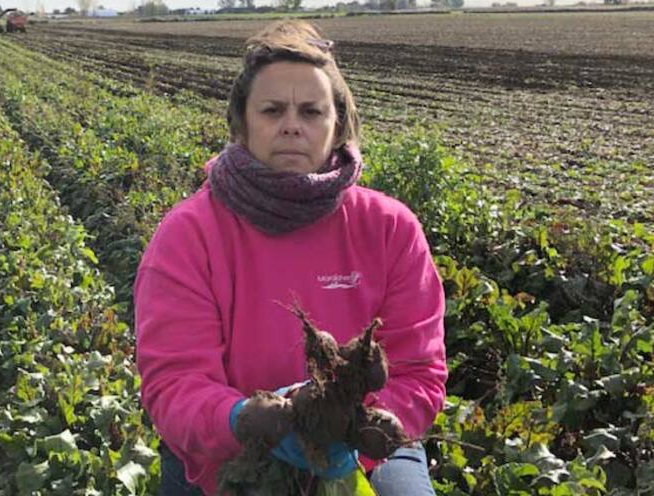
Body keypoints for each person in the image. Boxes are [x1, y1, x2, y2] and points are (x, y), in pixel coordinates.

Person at [133, 20, 447, 496]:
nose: (292, 125)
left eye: (311, 111)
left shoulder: (390, 228)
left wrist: (367, 426)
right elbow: (174, 383)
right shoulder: (188, 235)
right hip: (227, 446)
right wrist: (243, 419)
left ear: (337, 124)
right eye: (272, 110)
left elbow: (419, 370)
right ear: (242, 123)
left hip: (365, 448)